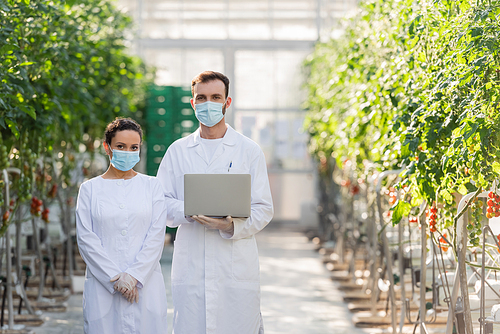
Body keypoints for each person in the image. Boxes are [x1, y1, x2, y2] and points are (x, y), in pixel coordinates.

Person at [157, 71, 274, 334]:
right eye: (201, 97)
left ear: (227, 102)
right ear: (193, 103)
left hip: (234, 266)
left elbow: (264, 208)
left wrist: (229, 225)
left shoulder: (248, 150)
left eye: (215, 97)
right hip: (192, 267)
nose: (208, 103)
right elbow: (160, 203)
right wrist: (190, 210)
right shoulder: (177, 151)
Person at [75, 118, 168, 333]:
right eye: (120, 147)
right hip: (103, 286)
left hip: (145, 285)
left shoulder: (152, 186)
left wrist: (134, 276)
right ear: (107, 148)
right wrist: (116, 279)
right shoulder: (89, 190)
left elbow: (155, 236)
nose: (128, 152)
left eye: (133, 147)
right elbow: (86, 239)